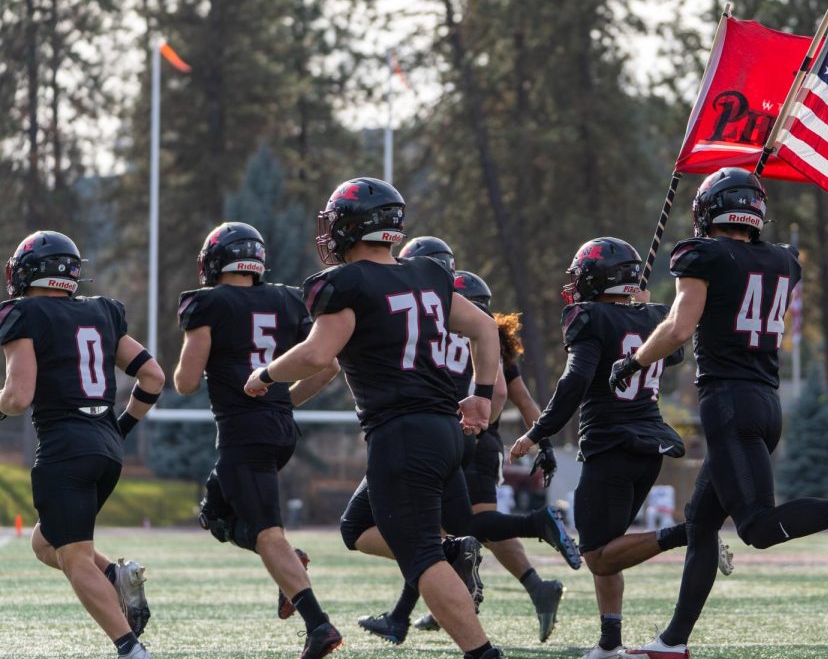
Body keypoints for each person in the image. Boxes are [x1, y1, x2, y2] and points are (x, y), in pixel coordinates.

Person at [611, 168, 828, 659]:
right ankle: (673, 641)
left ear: (709, 211)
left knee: (757, 529)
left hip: (728, 402)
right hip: (764, 403)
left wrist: (635, 359)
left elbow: (681, 327)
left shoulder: (700, 253)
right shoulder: (784, 261)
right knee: (701, 523)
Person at [244, 178, 508, 659]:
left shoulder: (347, 283)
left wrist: (265, 375)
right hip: (444, 431)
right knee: (364, 527)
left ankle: (483, 653)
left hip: (401, 433)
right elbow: (485, 328)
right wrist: (482, 395)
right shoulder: (427, 273)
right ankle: (455, 558)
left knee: (421, 555)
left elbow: (318, 353)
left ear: (348, 226)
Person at [510, 237, 733, 659]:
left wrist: (538, 431)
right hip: (648, 444)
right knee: (608, 546)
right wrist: (640, 314)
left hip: (611, 443)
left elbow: (575, 381)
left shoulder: (587, 316)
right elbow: (674, 355)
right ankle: (610, 644)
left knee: (597, 556)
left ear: (597, 278)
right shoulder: (653, 316)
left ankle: (689, 533)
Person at [174, 222, 342, 658]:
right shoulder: (287, 299)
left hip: (244, 432)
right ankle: (291, 562)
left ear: (213, 262)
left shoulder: (207, 303)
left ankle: (318, 625)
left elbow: (187, 381)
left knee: (267, 533)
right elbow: (328, 367)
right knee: (215, 513)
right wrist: (283, 401)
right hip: (279, 429)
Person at [0, 231, 165, 659]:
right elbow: (154, 378)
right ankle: (114, 574)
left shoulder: (24, 312)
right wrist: (121, 427)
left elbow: (18, 397)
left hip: (64, 447)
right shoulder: (103, 312)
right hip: (106, 448)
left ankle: (130, 649)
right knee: (45, 542)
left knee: (73, 557)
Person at [409, 270, 566, 642]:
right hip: (463, 441)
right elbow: (524, 400)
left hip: (472, 443)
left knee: (476, 525)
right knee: (449, 528)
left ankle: (529, 585)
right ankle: (455, 599)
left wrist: (537, 439)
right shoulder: (478, 335)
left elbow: (508, 396)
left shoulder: (468, 338)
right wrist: (543, 441)